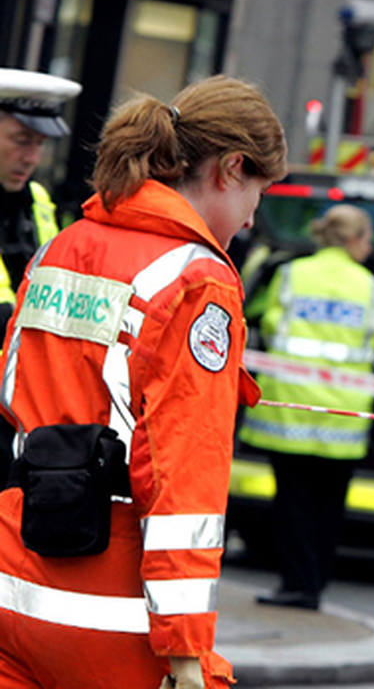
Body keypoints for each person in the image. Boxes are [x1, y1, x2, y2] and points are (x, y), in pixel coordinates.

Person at [0, 75, 286, 689]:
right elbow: (186, 472)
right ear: (230, 169)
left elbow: (12, 393)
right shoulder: (198, 281)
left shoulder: (61, 248)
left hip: (14, 577)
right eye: (259, 193)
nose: (251, 217)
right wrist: (187, 651)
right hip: (111, 609)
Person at [238, 203, 374, 610]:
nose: (370, 248)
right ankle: (315, 584)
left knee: (292, 503)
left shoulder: (291, 274)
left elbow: (270, 326)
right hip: (343, 414)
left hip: (290, 407)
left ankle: (296, 583)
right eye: (368, 240)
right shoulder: (372, 287)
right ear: (353, 239)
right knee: (330, 507)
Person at [0, 68, 81, 482]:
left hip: (18, 402)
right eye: (21, 140)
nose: (32, 157)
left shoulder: (37, 200)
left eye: (40, 144)